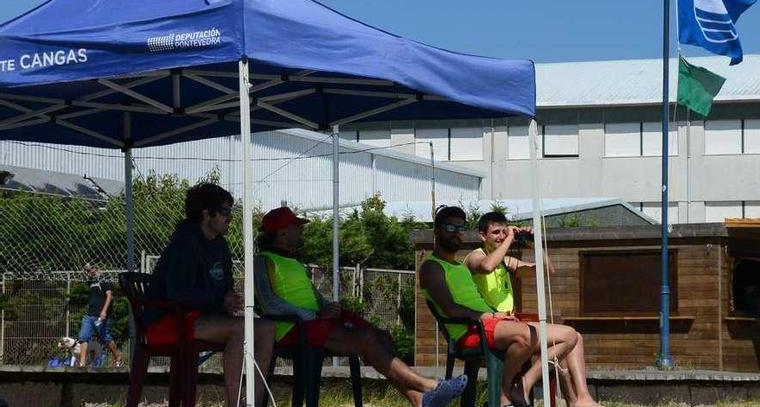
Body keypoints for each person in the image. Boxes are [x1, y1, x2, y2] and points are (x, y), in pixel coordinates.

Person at [254, 206, 468, 407]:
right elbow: (268, 302)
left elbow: (313, 296)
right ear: (282, 233)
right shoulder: (263, 261)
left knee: (380, 336)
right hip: (294, 328)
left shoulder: (293, 261)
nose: (301, 230)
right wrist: (312, 314)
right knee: (366, 340)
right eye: (296, 227)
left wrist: (328, 307)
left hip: (316, 322)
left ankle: (419, 400)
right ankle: (431, 386)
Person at [420, 206, 602, 407]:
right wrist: (487, 315)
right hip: (475, 327)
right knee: (527, 335)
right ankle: (505, 391)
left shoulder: (477, 264)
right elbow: (453, 307)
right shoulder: (446, 263)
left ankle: (568, 395)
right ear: (436, 231)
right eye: (450, 227)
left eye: (461, 229)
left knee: (571, 335)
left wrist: (534, 244)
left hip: (498, 321)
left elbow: (546, 271)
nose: (456, 232)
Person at [144, 183, 276, 407]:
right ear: (206, 214)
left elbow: (222, 287)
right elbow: (177, 292)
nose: (229, 217)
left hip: (201, 317)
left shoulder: (220, 246)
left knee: (266, 327)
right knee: (242, 329)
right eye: (225, 211)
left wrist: (229, 298)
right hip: (169, 320)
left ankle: (254, 401)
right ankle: (235, 404)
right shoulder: (185, 242)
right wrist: (218, 300)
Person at [76, 263, 124, 367]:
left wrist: (104, 311)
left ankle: (118, 356)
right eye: (90, 269)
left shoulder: (105, 280)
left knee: (105, 337)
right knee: (83, 337)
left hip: (100, 315)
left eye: (94, 268)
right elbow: (84, 272)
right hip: (89, 315)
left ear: (99, 268)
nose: (91, 271)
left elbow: (109, 296)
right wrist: (87, 268)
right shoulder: (91, 281)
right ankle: (82, 363)